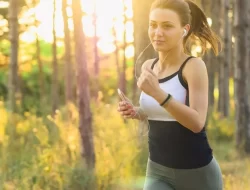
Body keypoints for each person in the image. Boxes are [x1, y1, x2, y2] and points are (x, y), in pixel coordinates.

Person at [117, 0, 223, 189]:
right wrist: (136, 111)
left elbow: (197, 122)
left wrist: (158, 94)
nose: (158, 33)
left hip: (197, 173)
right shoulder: (148, 66)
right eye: (153, 25)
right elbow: (160, 112)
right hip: (157, 170)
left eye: (167, 26)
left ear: (184, 29)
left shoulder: (193, 67)